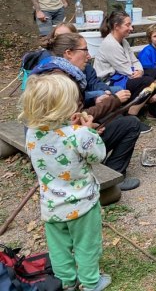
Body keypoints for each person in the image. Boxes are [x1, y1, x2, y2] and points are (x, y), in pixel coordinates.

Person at [19, 73, 111, 291]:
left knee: (58, 247)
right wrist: (89, 131)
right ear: (64, 106)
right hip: (82, 203)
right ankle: (90, 282)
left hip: (51, 204)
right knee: (86, 244)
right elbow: (97, 156)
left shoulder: (32, 134)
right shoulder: (78, 134)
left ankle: (65, 282)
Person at [31, 32, 142, 191]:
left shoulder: (54, 70)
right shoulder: (61, 81)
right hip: (61, 146)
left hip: (53, 139)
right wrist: (114, 101)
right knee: (131, 124)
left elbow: (70, 116)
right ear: (69, 53)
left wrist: (92, 119)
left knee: (116, 118)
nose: (89, 56)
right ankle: (113, 178)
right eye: (85, 50)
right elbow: (73, 119)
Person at [93, 11, 156, 122]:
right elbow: (125, 69)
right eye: (128, 25)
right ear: (116, 26)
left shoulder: (123, 41)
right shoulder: (110, 44)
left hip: (125, 75)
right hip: (111, 81)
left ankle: (153, 110)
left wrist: (140, 70)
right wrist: (138, 73)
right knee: (148, 81)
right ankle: (132, 113)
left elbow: (134, 61)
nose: (131, 28)